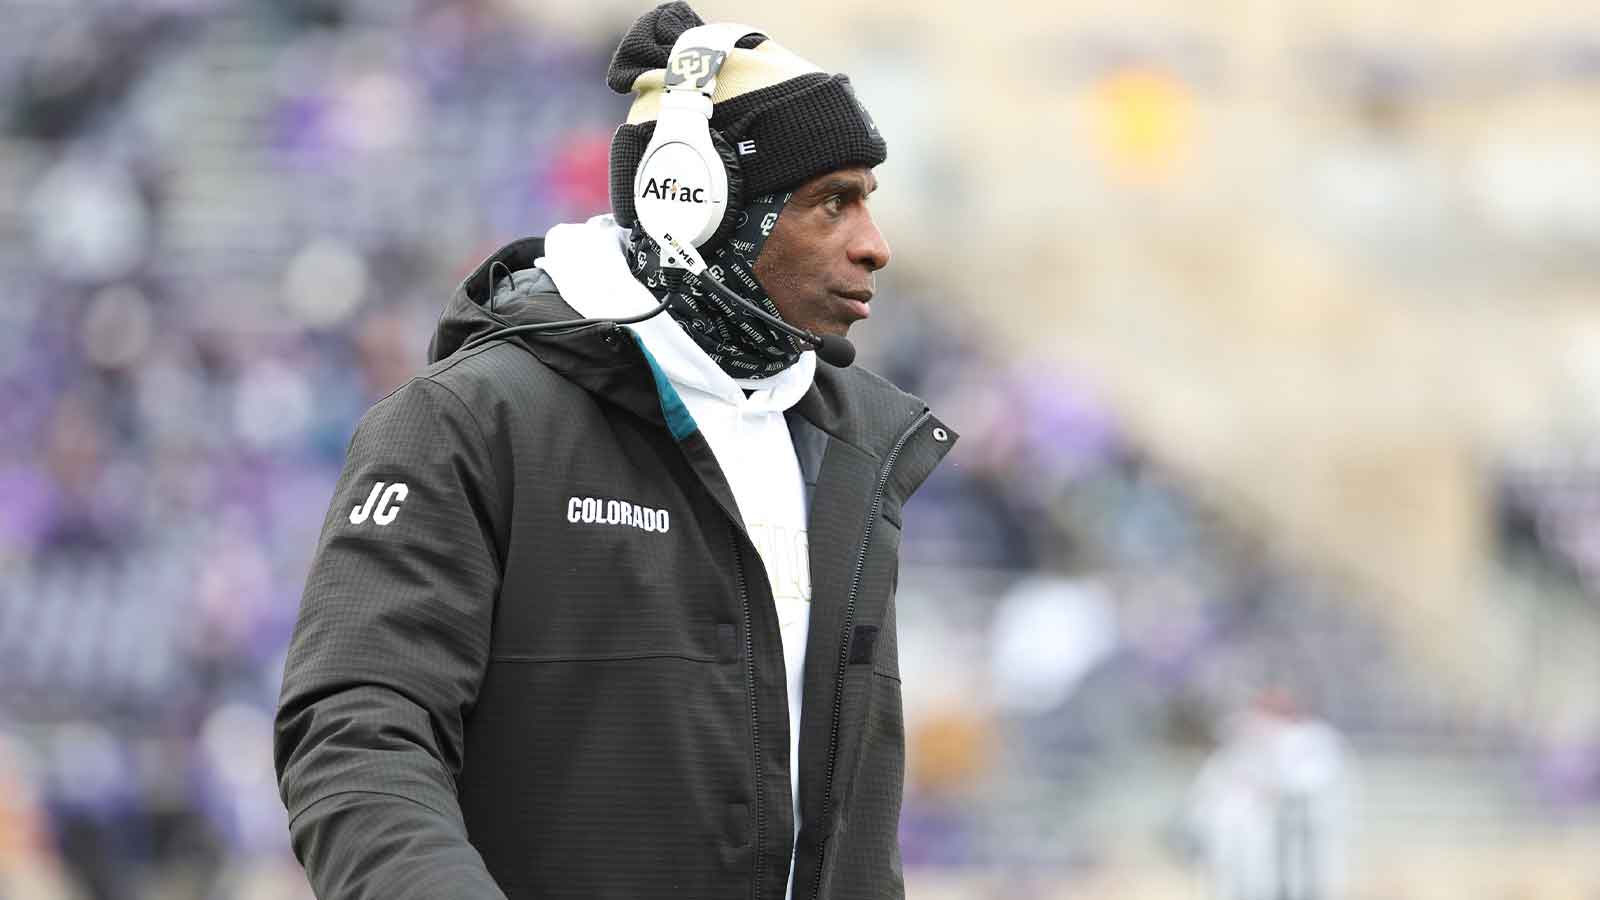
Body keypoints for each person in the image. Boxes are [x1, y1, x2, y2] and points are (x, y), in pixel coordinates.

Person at [272, 4, 955, 899]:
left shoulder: (854, 449)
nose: (876, 244)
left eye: (869, 199)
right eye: (833, 201)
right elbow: (357, 732)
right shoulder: (466, 424)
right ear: (693, 203)